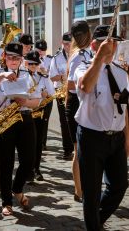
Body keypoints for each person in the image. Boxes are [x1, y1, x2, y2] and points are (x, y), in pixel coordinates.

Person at [74, 25, 129, 231]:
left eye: (115, 43)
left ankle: (97, 220)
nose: (112, 47)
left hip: (115, 137)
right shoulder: (84, 66)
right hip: (91, 137)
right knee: (92, 192)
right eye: (108, 42)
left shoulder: (121, 71)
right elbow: (85, 87)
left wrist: (127, 138)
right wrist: (98, 60)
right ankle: (93, 226)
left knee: (119, 186)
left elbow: (124, 106)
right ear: (95, 45)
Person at [0, 42, 40, 216]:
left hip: (24, 118)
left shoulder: (27, 75)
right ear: (5, 58)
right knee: (5, 163)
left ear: (22, 59)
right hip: (4, 120)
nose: (14, 61)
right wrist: (3, 75)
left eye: (17, 58)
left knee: (29, 160)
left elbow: (37, 101)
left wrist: (26, 102)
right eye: (10, 57)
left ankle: (17, 188)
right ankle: (6, 203)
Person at [65, 20, 93, 203]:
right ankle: (78, 190)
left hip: (82, 101)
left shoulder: (86, 53)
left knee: (84, 149)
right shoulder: (78, 55)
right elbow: (69, 85)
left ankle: (83, 188)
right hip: (75, 102)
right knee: (78, 149)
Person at [25, 50, 55, 181]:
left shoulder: (43, 77)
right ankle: (27, 169)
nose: (32, 66)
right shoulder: (21, 76)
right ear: (26, 63)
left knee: (37, 143)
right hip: (25, 112)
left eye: (35, 64)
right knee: (26, 143)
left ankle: (36, 168)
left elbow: (51, 92)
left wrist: (45, 93)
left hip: (39, 112)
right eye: (30, 64)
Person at [49, 32, 74, 159]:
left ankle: (78, 147)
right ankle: (67, 150)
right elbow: (52, 76)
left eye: (70, 44)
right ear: (62, 44)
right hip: (61, 91)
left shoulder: (78, 55)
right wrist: (63, 76)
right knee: (64, 122)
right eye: (66, 44)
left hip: (74, 91)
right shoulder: (56, 58)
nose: (68, 46)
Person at [34, 39, 54, 149]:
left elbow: (51, 77)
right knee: (36, 119)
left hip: (48, 93)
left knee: (45, 119)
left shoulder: (51, 60)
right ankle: (35, 141)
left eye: (43, 50)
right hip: (37, 93)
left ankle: (42, 143)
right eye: (39, 50)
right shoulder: (32, 60)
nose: (41, 52)